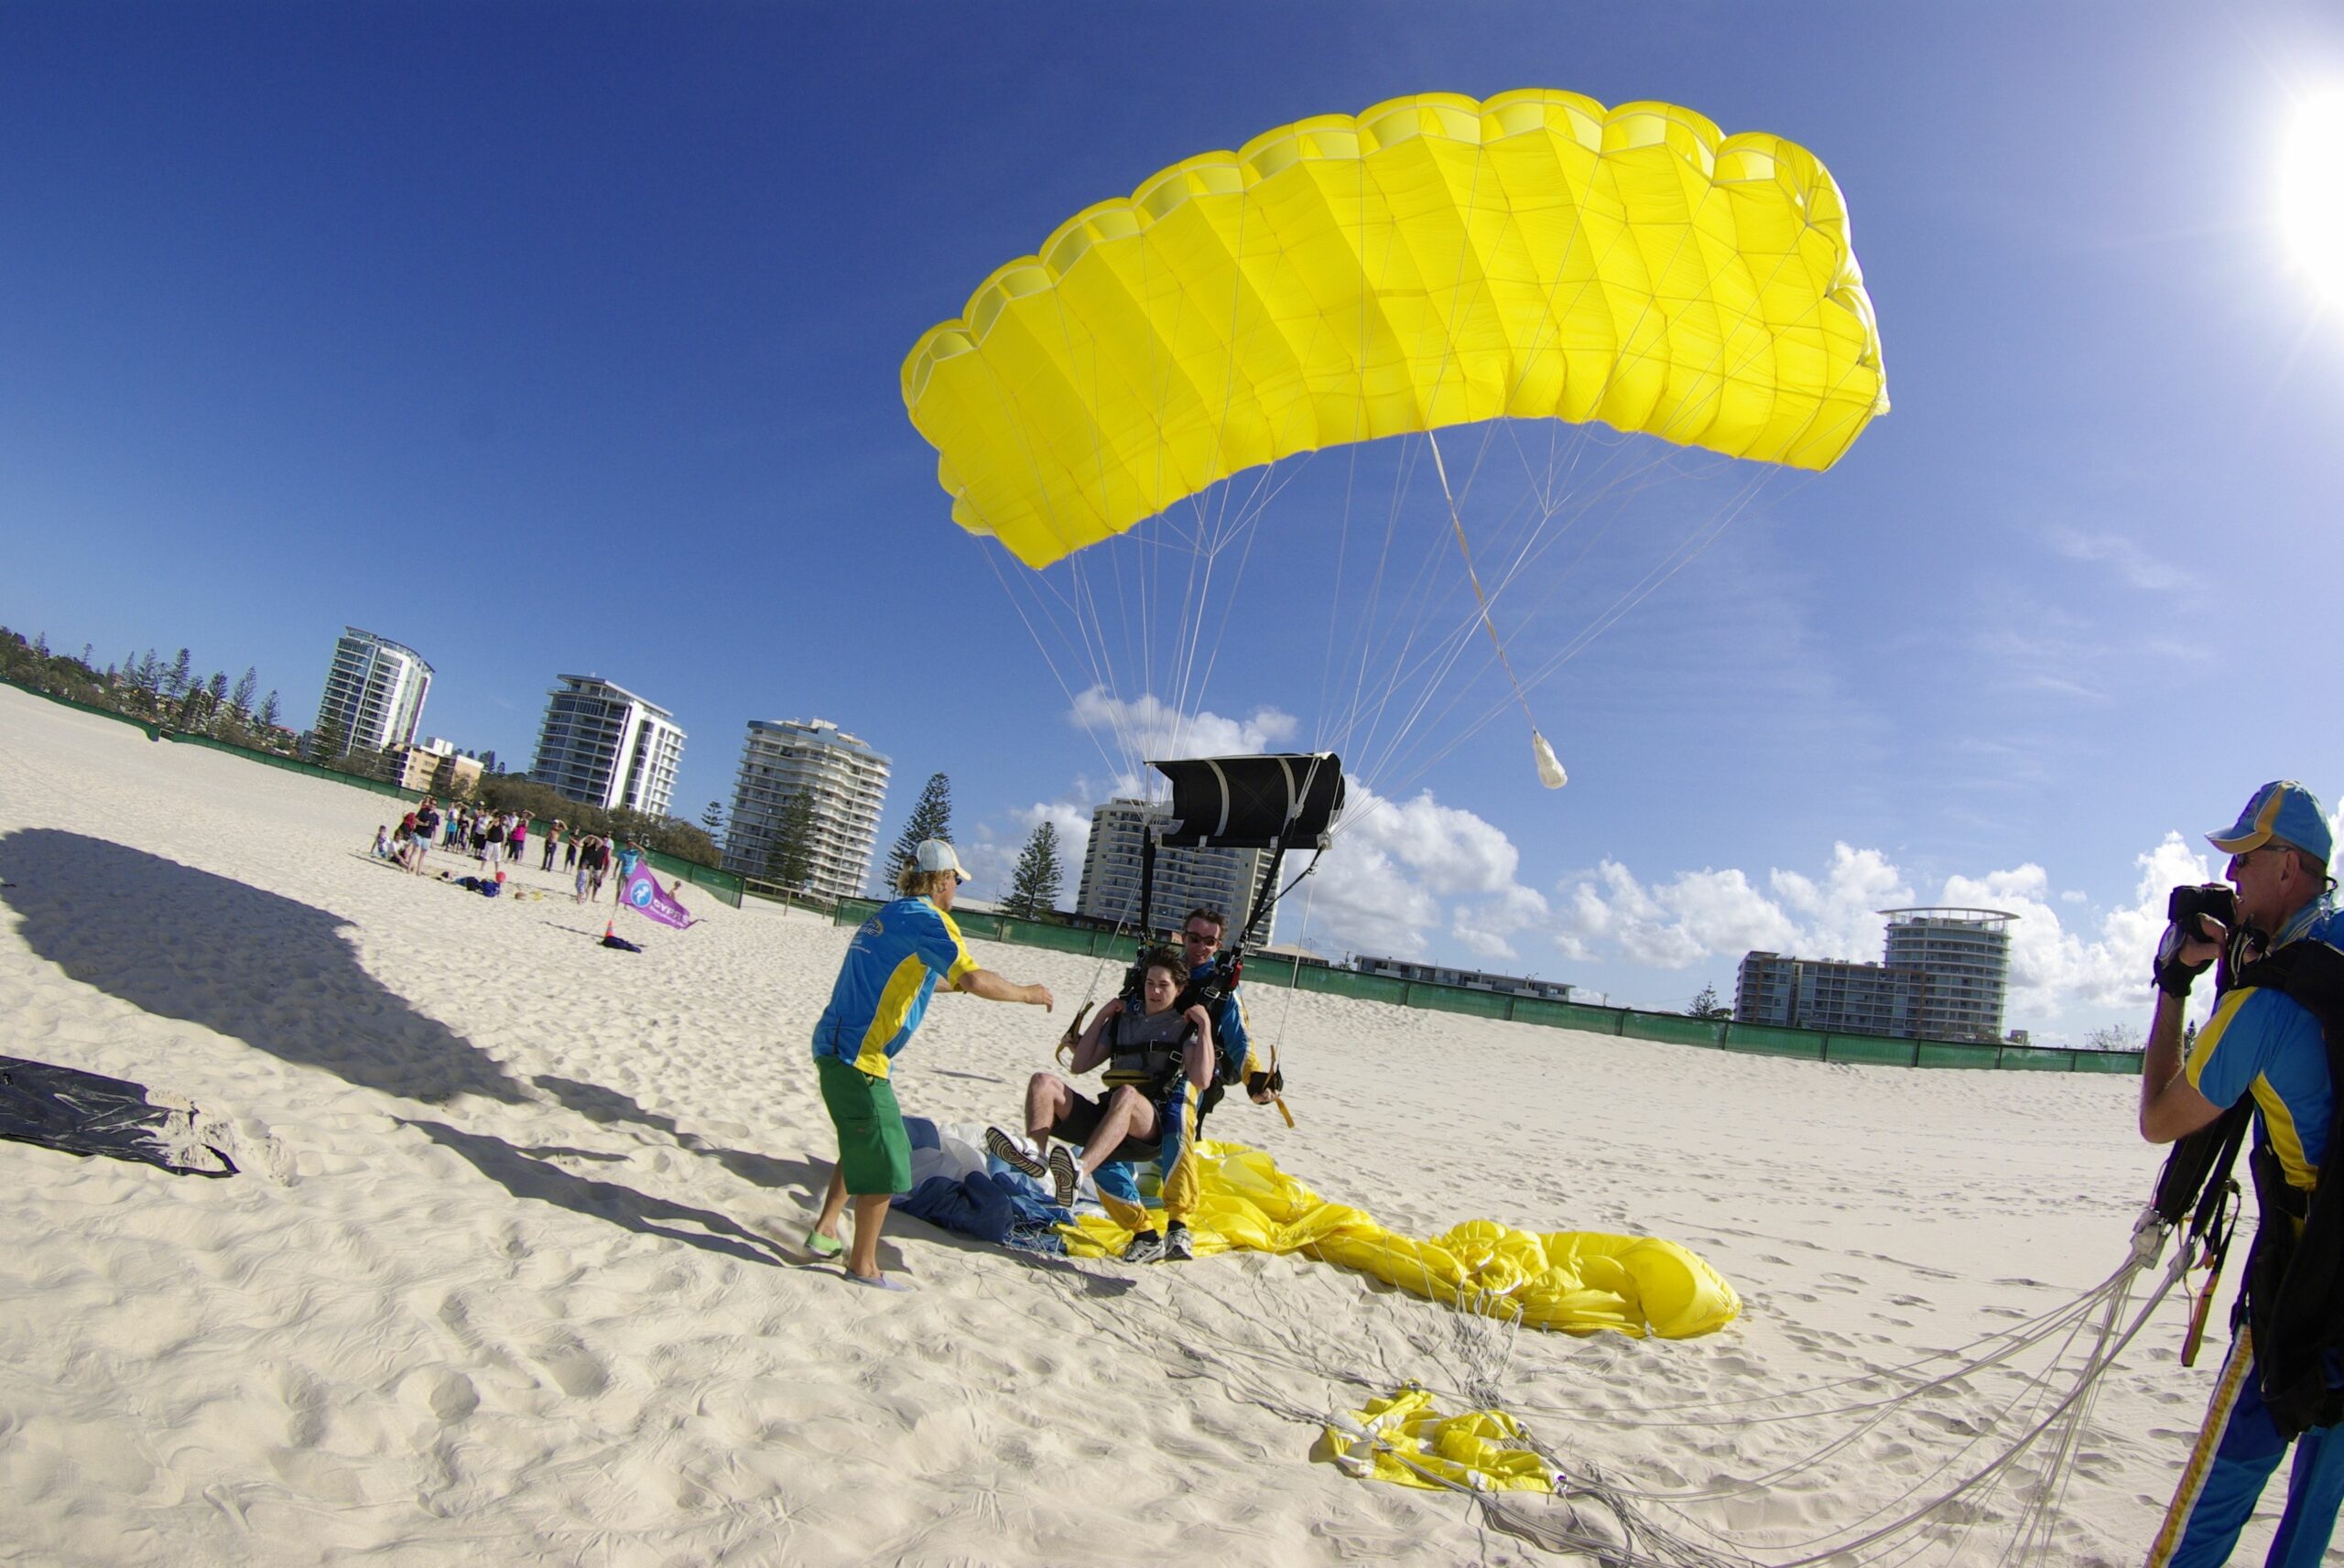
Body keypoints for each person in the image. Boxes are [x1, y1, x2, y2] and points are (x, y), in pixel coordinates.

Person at [2140, 781, 2344, 1568]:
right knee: (2315, 1510)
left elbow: (2161, 1116)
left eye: (2246, 861)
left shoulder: (2263, 1004)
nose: (2231, 879)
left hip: (2301, 1290)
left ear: (2290, 865)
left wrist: (2174, 981)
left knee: (2211, 1509)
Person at [807, 839, 1054, 1290]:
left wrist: (955, 987)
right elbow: (977, 978)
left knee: (862, 1139)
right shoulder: (931, 921)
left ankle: (824, 1231)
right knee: (888, 1159)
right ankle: (863, 1266)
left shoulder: (887, 916)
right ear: (941, 880)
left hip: (834, 1046)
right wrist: (1029, 993)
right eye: (956, 881)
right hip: (857, 1059)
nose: (956, 889)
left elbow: (907, 979)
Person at [989, 945, 1214, 1261]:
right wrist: (1103, 1015)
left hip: (1147, 1128)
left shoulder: (1185, 1026)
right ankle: (1035, 1155)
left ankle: (1080, 1170)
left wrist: (1204, 1026)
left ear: (1179, 989)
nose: (1155, 991)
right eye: (1150, 983)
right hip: (1109, 1119)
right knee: (1043, 1082)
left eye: (1163, 985)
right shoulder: (1124, 1020)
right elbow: (1079, 1065)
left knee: (1126, 1095)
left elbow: (1203, 1079)